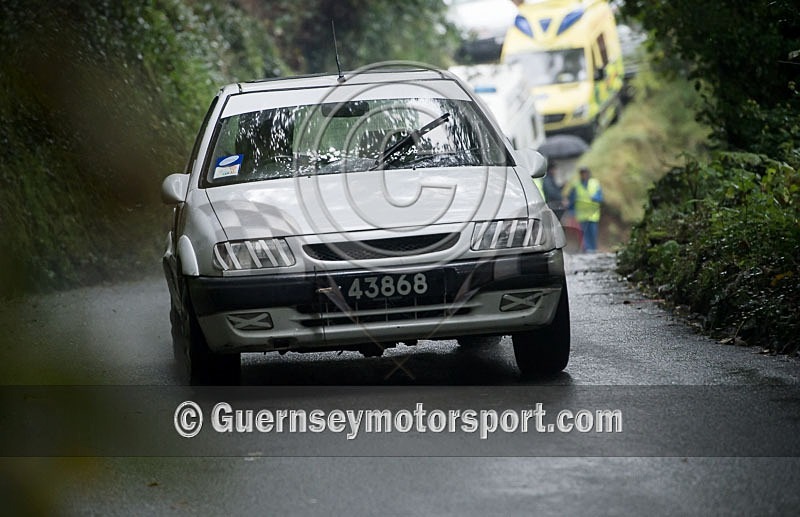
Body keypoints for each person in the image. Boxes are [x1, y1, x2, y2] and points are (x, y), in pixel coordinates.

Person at [567, 166, 603, 253]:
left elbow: (600, 197)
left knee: (593, 233)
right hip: (582, 214)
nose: (584, 175)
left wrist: (595, 198)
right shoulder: (576, 185)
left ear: (589, 173)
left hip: (593, 214)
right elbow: (571, 199)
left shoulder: (595, 183)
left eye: (585, 173)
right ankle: (587, 250)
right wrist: (570, 211)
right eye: (582, 173)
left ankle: (593, 249)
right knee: (584, 233)